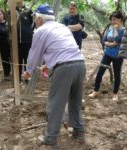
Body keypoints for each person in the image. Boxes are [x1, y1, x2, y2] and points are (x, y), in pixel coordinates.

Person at [24, 4, 86, 145]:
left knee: (55, 104)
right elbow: (62, 48)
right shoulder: (61, 27)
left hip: (65, 69)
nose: (34, 21)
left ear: (39, 18)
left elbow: (34, 56)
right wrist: (50, 64)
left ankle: (51, 138)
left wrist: (28, 71)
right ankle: (78, 130)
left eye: (35, 18)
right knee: (75, 101)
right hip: (80, 64)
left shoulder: (41, 31)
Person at [88, 11, 124, 101]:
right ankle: (95, 91)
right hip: (107, 54)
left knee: (117, 74)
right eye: (111, 20)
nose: (112, 22)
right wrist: (109, 43)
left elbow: (116, 41)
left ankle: (115, 94)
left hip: (117, 56)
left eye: (114, 20)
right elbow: (104, 40)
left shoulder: (123, 30)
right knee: (100, 72)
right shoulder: (110, 29)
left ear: (120, 19)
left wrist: (111, 42)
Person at [16, 0, 33, 82]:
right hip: (17, 42)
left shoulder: (28, 11)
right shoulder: (11, 11)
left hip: (27, 41)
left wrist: (29, 33)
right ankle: (18, 77)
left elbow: (33, 23)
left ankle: (27, 78)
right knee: (18, 60)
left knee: (27, 60)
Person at [0, 8, 11, 80]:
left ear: (3, 14)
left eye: (0, 14)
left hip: (11, 44)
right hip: (2, 45)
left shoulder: (8, 22)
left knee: (13, 58)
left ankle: (16, 72)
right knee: (5, 58)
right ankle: (6, 74)